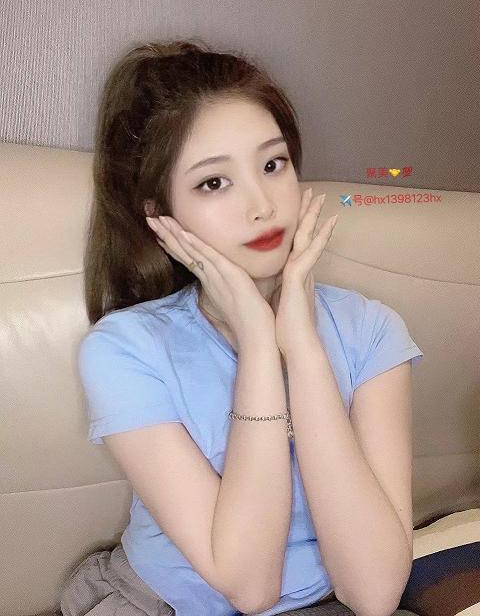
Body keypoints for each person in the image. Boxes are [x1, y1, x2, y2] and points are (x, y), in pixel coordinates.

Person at [60, 38, 424, 616]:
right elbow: (249, 588)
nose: (262, 204)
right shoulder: (126, 349)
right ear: (159, 214)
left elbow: (374, 594)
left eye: (273, 164)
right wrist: (257, 343)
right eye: (213, 182)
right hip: (164, 605)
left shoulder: (371, 331)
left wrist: (302, 348)